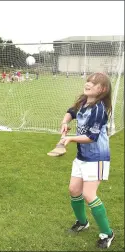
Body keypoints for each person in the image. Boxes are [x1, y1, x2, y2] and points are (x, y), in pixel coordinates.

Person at [59, 72, 115, 249]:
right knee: (74, 190)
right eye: (88, 81)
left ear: (102, 89)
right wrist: (65, 122)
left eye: (94, 83)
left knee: (89, 194)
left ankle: (107, 233)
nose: (88, 84)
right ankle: (82, 222)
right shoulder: (84, 101)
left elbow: (91, 137)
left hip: (97, 157)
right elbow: (71, 112)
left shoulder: (99, 109)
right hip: (82, 156)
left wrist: (70, 139)